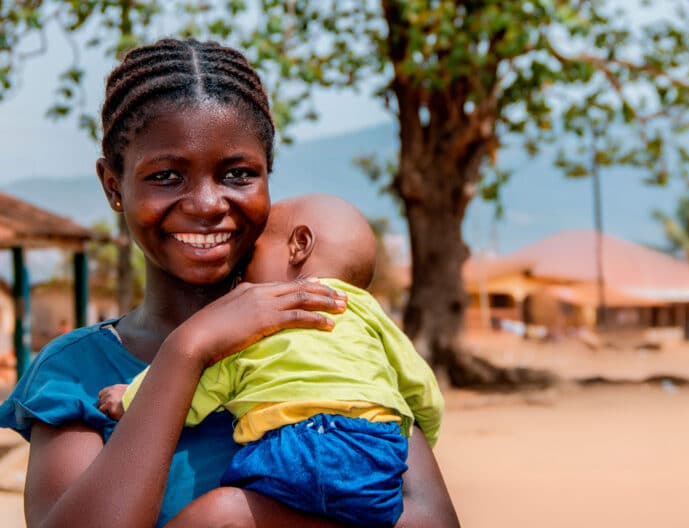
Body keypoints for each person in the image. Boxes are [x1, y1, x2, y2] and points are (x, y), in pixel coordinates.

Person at [0, 38, 459, 528]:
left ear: (267, 178)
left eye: (238, 173)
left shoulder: (324, 331)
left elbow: (432, 519)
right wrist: (189, 349)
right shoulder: (76, 373)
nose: (206, 204)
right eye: (167, 176)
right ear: (114, 185)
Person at [99, 193, 444, 527]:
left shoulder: (264, 318)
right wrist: (409, 437)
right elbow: (420, 386)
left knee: (214, 515)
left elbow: (208, 381)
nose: (239, 277)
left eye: (249, 256)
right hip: (375, 459)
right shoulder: (369, 314)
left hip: (294, 452)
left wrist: (132, 398)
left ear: (299, 245)